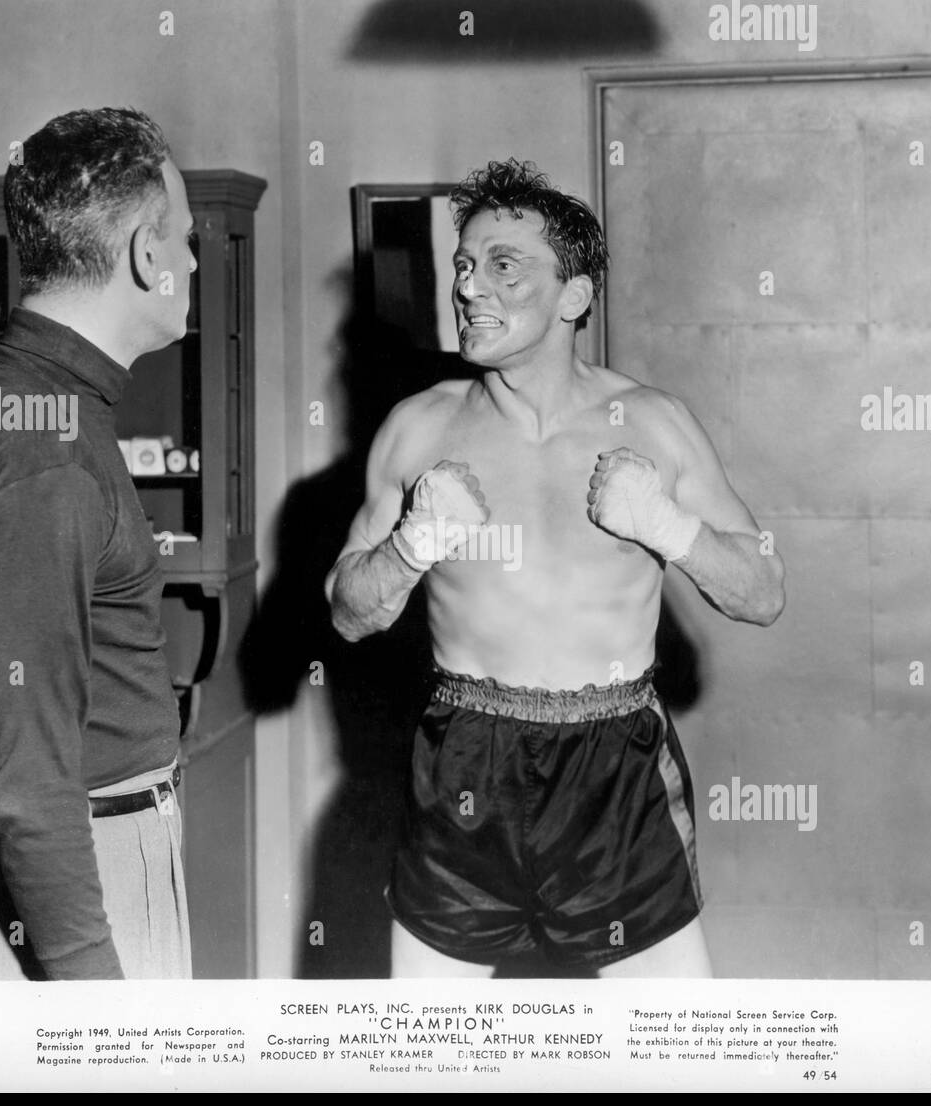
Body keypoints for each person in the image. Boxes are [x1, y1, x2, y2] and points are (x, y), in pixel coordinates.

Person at [326, 159, 785, 978]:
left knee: (677, 1055)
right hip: (465, 756)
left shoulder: (654, 423)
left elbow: (762, 591)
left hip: (616, 764)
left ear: (573, 296)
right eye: (464, 266)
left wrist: (669, 527)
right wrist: (410, 547)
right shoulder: (417, 429)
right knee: (425, 1057)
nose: (468, 288)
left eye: (504, 266)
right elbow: (349, 613)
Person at [0, 108, 196, 980]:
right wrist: (96, 1009)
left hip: (14, 875)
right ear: (145, 253)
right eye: (182, 240)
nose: (188, 262)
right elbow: (28, 787)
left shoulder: (12, 403)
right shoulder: (46, 454)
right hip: (55, 897)